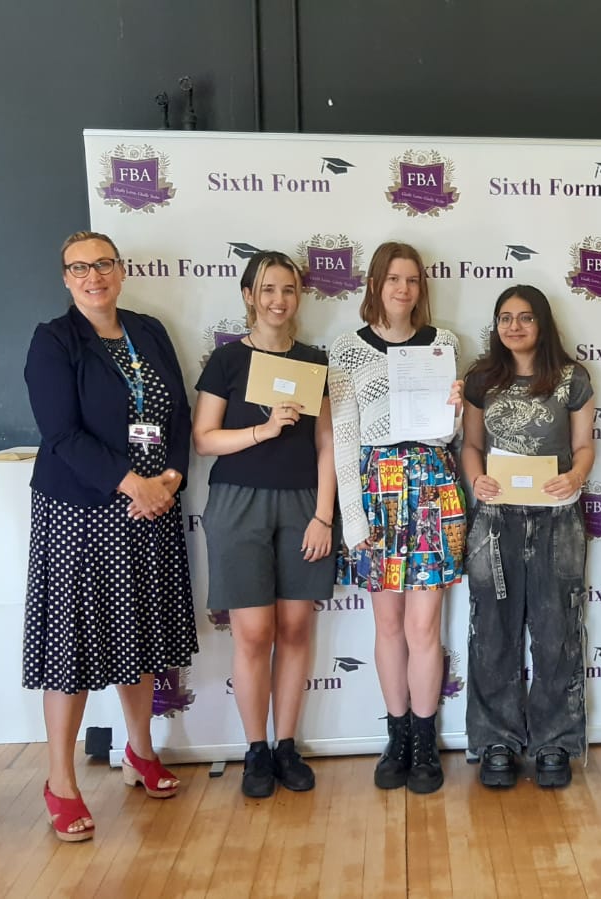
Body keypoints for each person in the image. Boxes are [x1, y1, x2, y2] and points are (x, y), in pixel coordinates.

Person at [22, 230, 199, 842]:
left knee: (141, 634)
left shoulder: (148, 330)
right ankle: (60, 782)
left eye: (103, 264)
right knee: (70, 648)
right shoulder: (54, 341)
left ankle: (141, 751)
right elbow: (61, 435)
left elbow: (177, 411)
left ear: (120, 270)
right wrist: (133, 484)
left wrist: (170, 476)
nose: (93, 276)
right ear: (65, 278)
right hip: (82, 511)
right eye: (79, 268)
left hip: (153, 507)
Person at [193, 251, 334, 797]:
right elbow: (205, 440)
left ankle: (286, 745)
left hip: (303, 504)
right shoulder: (226, 362)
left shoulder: (312, 359)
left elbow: (326, 443)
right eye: (268, 289)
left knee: (296, 628)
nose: (279, 300)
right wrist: (264, 431)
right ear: (250, 295)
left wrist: (324, 515)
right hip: (237, 502)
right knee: (254, 633)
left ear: (299, 298)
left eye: (289, 290)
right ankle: (255, 750)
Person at [328, 241, 465, 795]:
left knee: (424, 625)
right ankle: (398, 735)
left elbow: (449, 435)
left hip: (432, 486)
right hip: (375, 490)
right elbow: (341, 439)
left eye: (412, 280)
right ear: (375, 286)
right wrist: (353, 519)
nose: (403, 289)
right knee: (387, 626)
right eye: (393, 279)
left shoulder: (445, 343)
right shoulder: (347, 350)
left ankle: (426, 741)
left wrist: (454, 409)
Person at [460, 285, 596, 790]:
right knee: (493, 630)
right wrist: (476, 480)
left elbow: (584, 446)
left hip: (557, 517)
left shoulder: (571, 379)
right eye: (504, 318)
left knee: (555, 629)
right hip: (495, 520)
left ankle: (554, 741)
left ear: (543, 323)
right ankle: (497, 740)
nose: (513, 327)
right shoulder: (481, 379)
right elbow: (471, 444)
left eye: (524, 317)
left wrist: (576, 478)